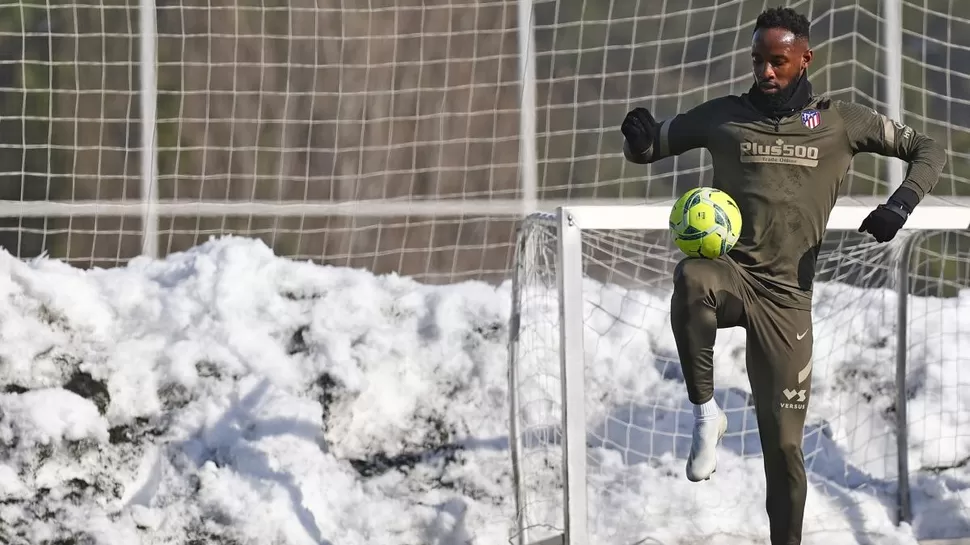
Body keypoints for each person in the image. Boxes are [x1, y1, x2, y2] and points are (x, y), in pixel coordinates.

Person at [620, 6, 946, 545]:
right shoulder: (724, 115)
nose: (766, 72)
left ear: (804, 59)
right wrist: (637, 138)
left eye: (778, 62)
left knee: (785, 450)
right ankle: (705, 414)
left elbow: (927, 149)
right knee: (691, 278)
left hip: (788, 302)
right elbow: (654, 144)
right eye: (758, 61)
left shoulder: (840, 120)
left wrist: (900, 204)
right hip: (732, 277)